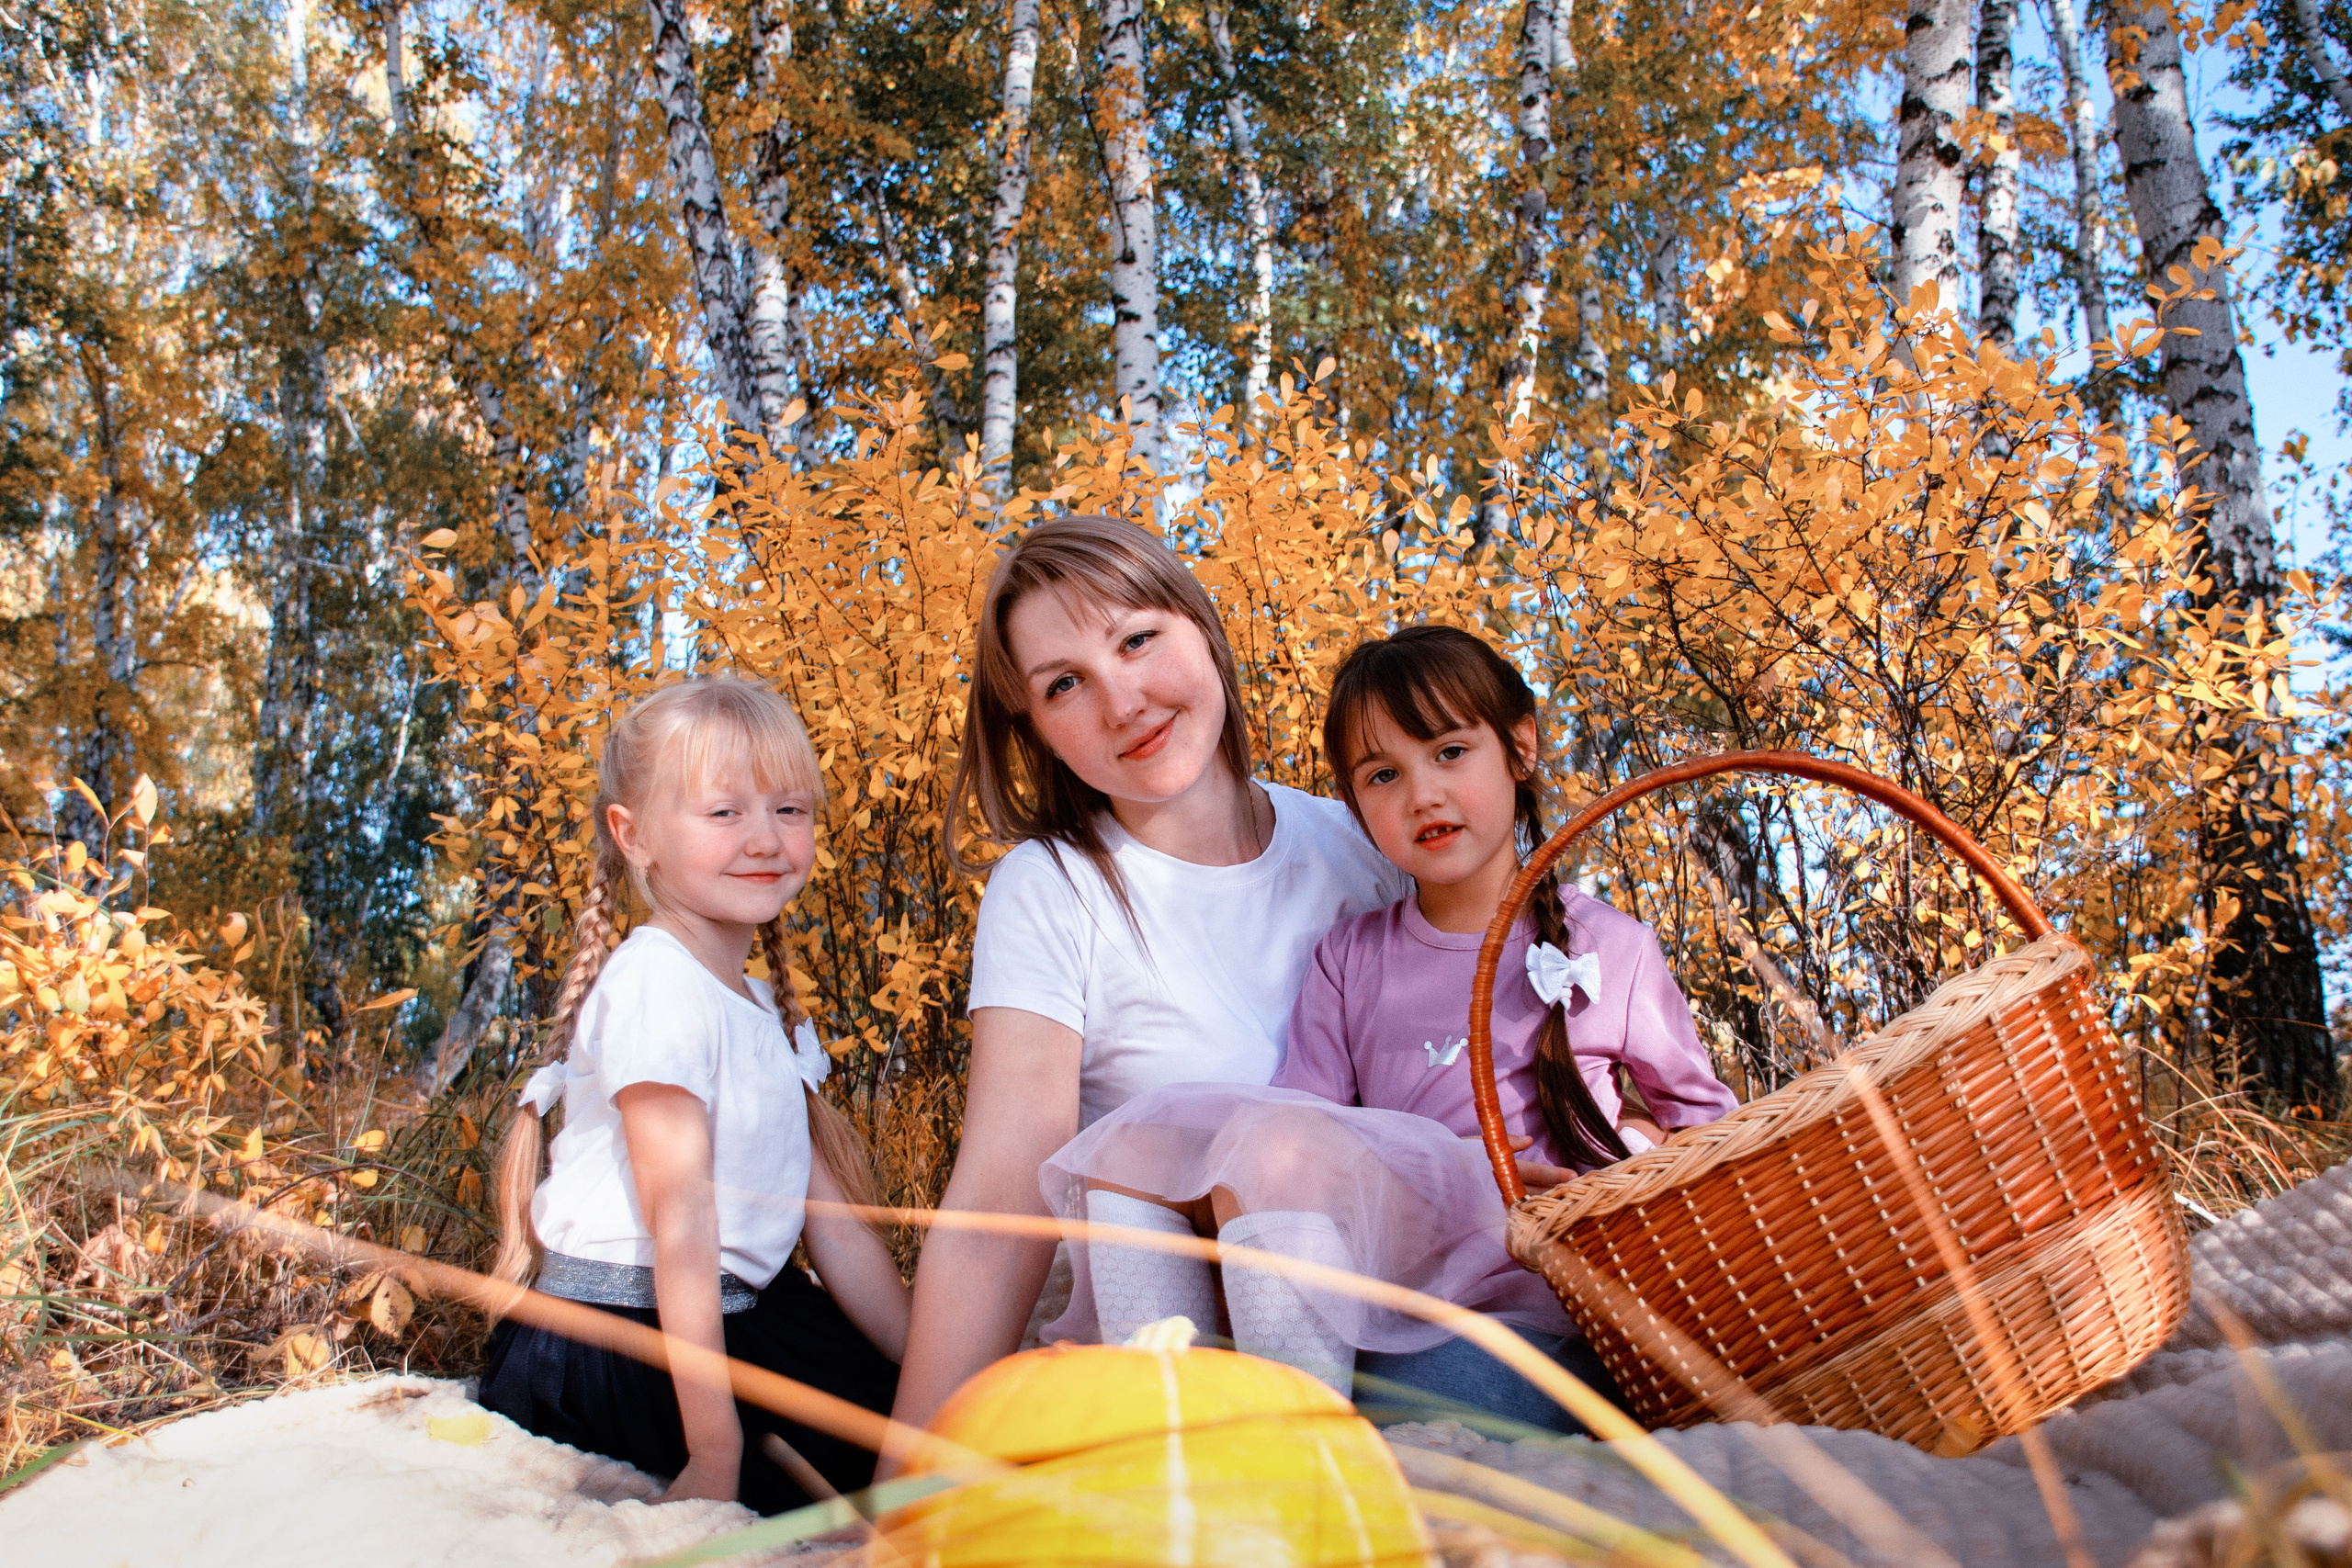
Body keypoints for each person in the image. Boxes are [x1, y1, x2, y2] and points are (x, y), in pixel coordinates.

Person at [1038, 625, 1739, 1430]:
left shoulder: (1610, 947)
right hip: (1389, 1308)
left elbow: (1712, 1134)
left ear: (1520, 747)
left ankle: (1297, 1444)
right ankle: (1173, 1433)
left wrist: (1635, 1162)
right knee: (1154, 1152)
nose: (1422, 794)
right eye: (1383, 774)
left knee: (1431, 1392)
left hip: (1540, 1316)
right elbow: (1290, 1152)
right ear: (1355, 804)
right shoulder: (1351, 958)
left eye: (1450, 752)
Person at [884, 514, 1409, 1449]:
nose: (1122, 701)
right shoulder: (1054, 889)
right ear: (1036, 730)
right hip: (1179, 1351)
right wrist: (909, 1474)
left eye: (1136, 640)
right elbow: (1000, 1198)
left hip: (1395, 1323)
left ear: (1201, 627)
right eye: (1064, 684)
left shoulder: (1362, 847)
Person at [477, 677, 909, 1512]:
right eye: (724, 811)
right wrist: (715, 1449)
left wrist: (932, 1369)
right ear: (634, 835)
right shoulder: (656, 983)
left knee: (916, 1424)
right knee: (851, 1479)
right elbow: (681, 1224)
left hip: (729, 1310)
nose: (765, 838)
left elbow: (836, 1229)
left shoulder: (757, 1003)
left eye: (790, 809)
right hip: (619, 1336)